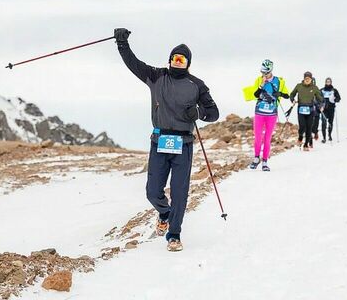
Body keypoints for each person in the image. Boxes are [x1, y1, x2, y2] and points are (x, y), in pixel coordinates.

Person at [114, 28, 219, 252]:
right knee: (153, 191)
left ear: (188, 63)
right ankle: (164, 213)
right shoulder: (157, 76)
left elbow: (214, 113)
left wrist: (199, 113)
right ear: (170, 60)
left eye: (182, 59)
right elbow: (134, 64)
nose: (178, 62)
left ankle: (174, 234)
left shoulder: (197, 85)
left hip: (184, 144)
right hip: (159, 141)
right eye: (175, 58)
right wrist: (122, 44)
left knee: (180, 192)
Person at [242, 59, 290, 171]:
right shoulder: (259, 80)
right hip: (259, 112)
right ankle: (256, 158)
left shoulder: (279, 81)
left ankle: (265, 161)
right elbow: (255, 94)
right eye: (262, 72)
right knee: (258, 137)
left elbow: (287, 95)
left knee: (267, 138)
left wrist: (280, 94)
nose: (264, 74)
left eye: (266, 72)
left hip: (272, 114)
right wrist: (261, 85)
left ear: (271, 70)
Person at [289, 71, 323, 151]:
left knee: (309, 128)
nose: (307, 80)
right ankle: (300, 136)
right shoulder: (299, 86)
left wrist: (321, 104)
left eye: (309, 78)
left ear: (311, 79)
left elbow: (320, 98)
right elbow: (292, 94)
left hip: (310, 110)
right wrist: (292, 100)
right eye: (306, 78)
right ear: (304, 78)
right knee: (302, 127)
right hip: (301, 109)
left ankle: (306, 144)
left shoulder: (314, 88)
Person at [320, 77, 341, 143]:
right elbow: (317, 98)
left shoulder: (334, 90)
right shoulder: (321, 90)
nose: (328, 82)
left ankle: (329, 135)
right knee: (323, 123)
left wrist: (334, 100)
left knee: (330, 123)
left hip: (331, 109)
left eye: (329, 81)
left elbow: (339, 98)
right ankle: (324, 138)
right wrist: (320, 105)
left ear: (331, 82)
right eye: (327, 81)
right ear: (325, 82)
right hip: (324, 109)